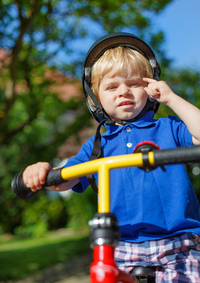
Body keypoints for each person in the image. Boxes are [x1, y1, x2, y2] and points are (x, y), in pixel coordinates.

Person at [22, 33, 200, 282]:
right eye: (112, 87)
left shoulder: (169, 128)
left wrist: (171, 98)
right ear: (96, 99)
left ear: (150, 87)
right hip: (121, 247)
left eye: (134, 84)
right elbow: (63, 181)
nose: (123, 91)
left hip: (178, 243)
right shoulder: (97, 146)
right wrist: (43, 171)